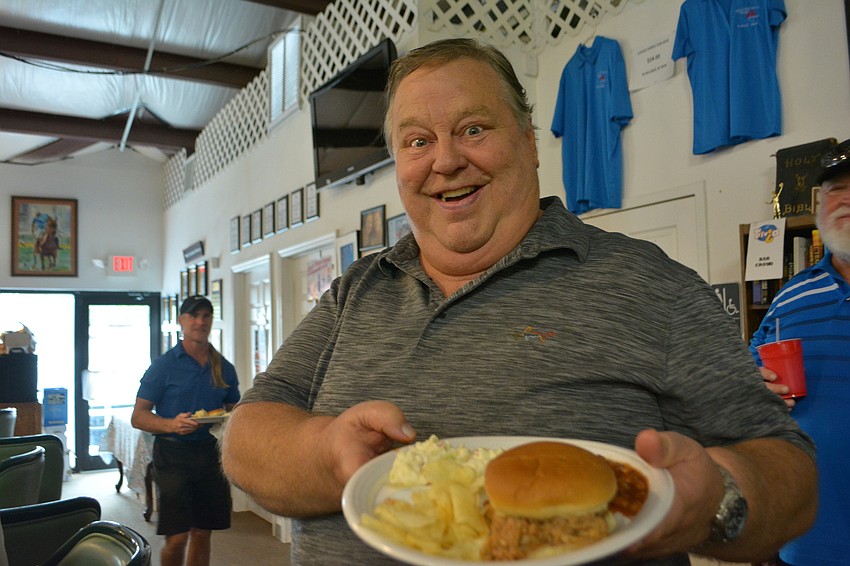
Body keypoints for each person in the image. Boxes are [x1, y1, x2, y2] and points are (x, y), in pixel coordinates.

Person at [221, 39, 816, 566]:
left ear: (529, 143)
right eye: (417, 140)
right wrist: (328, 455)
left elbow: (791, 472)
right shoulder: (358, 289)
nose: (446, 160)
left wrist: (719, 502)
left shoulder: (647, 284)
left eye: (473, 129)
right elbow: (248, 437)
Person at [751, 138, 850, 566]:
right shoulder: (789, 297)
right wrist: (757, 383)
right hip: (810, 536)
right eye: (834, 188)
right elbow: (750, 365)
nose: (845, 199)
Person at [132, 295, 240, 566]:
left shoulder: (223, 367)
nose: (200, 322)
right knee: (177, 537)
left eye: (206, 316)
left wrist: (233, 417)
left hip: (211, 456)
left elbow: (234, 408)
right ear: (181, 321)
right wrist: (170, 424)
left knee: (203, 532)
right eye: (193, 316)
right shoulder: (164, 366)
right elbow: (139, 416)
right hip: (172, 456)